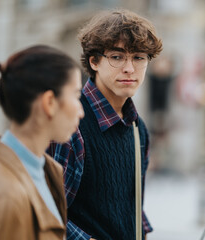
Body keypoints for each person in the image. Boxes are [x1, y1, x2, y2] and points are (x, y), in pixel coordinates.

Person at [48, 9, 162, 240]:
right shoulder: (70, 123)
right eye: (117, 57)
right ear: (95, 61)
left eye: (139, 57)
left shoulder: (138, 129)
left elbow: (132, 205)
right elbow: (46, 211)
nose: (129, 68)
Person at [0, 45, 84, 239]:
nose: (81, 111)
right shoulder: (4, 194)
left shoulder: (48, 171)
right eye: (76, 95)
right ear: (49, 102)